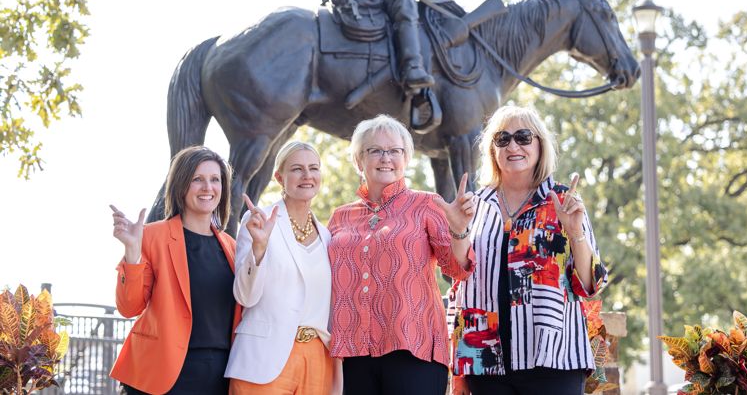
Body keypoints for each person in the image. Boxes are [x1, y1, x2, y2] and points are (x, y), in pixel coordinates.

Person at [448, 105, 609, 395]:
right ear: (493, 149)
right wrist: (458, 366)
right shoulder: (475, 206)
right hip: (486, 362)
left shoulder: (563, 200)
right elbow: (459, 281)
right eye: (503, 138)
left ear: (540, 145)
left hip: (552, 359)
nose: (513, 145)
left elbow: (589, 284)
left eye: (523, 137)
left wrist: (575, 233)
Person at [327, 114, 475, 395]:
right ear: (359, 160)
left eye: (395, 151)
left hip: (414, 349)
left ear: (406, 159)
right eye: (375, 151)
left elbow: (457, 268)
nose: (386, 158)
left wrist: (458, 230)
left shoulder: (428, 205)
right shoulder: (339, 217)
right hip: (354, 353)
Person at [109, 146, 242, 395]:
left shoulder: (232, 247)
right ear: (181, 185)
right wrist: (132, 251)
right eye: (197, 179)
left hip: (219, 377)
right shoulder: (151, 236)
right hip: (161, 376)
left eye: (215, 180)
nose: (208, 188)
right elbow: (129, 307)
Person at [225, 141, 341, 394]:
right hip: (263, 360)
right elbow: (245, 296)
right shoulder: (257, 222)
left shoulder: (328, 236)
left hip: (318, 360)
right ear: (280, 177)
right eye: (297, 169)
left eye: (314, 168)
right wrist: (259, 248)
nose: (307, 176)